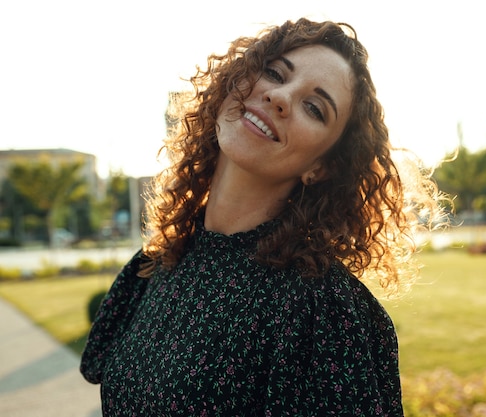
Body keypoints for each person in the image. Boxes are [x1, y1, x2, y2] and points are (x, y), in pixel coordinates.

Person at [80, 17, 439, 416]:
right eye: (274, 73)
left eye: (314, 108)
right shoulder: (160, 261)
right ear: (235, 80)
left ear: (320, 168)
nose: (280, 96)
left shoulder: (323, 311)